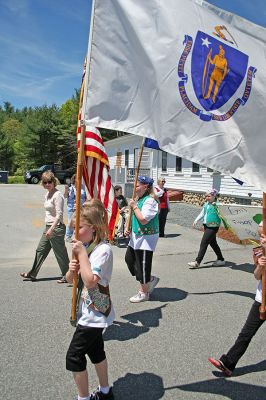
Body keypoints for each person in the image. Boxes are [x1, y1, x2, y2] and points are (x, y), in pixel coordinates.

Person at [66, 199, 115, 400]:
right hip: (87, 309)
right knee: (96, 351)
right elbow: (71, 280)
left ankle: (83, 398)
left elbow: (90, 281)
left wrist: (82, 255)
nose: (74, 233)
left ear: (93, 228)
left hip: (95, 313)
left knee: (74, 357)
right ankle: (106, 391)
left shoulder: (103, 250)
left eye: (79, 227)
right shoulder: (84, 247)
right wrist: (71, 269)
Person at [208, 222, 266, 376]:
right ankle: (227, 363)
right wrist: (260, 266)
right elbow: (256, 276)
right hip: (262, 299)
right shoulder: (259, 251)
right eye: (260, 235)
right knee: (246, 333)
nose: (262, 239)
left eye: (264, 235)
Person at [20, 171, 69, 283]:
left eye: (49, 182)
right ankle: (32, 273)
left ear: (54, 182)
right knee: (40, 250)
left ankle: (68, 276)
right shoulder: (47, 194)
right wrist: (49, 228)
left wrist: (51, 229)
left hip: (56, 228)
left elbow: (59, 214)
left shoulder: (58, 195)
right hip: (48, 227)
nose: (47, 184)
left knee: (60, 254)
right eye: (45, 182)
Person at [125, 175, 160, 303]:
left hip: (146, 238)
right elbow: (135, 218)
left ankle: (144, 292)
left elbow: (144, 219)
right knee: (129, 259)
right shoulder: (139, 199)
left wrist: (134, 206)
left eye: (137, 185)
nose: (135, 187)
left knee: (142, 265)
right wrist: (128, 228)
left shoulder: (150, 200)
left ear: (145, 187)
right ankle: (148, 279)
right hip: (136, 236)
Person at [188, 188, 225, 269]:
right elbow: (202, 213)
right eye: (206, 196)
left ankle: (197, 262)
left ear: (214, 196)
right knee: (213, 244)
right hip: (206, 226)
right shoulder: (206, 204)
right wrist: (196, 220)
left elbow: (224, 214)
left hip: (213, 227)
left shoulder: (217, 205)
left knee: (204, 243)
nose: (207, 197)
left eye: (209, 196)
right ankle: (221, 259)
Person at [64, 174, 87, 242]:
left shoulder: (83, 188)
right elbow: (65, 196)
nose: (79, 180)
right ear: (74, 180)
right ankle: (68, 236)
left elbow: (86, 197)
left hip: (81, 207)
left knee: (81, 222)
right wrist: (66, 190)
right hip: (71, 208)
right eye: (77, 179)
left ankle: (79, 236)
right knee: (71, 221)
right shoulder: (70, 187)